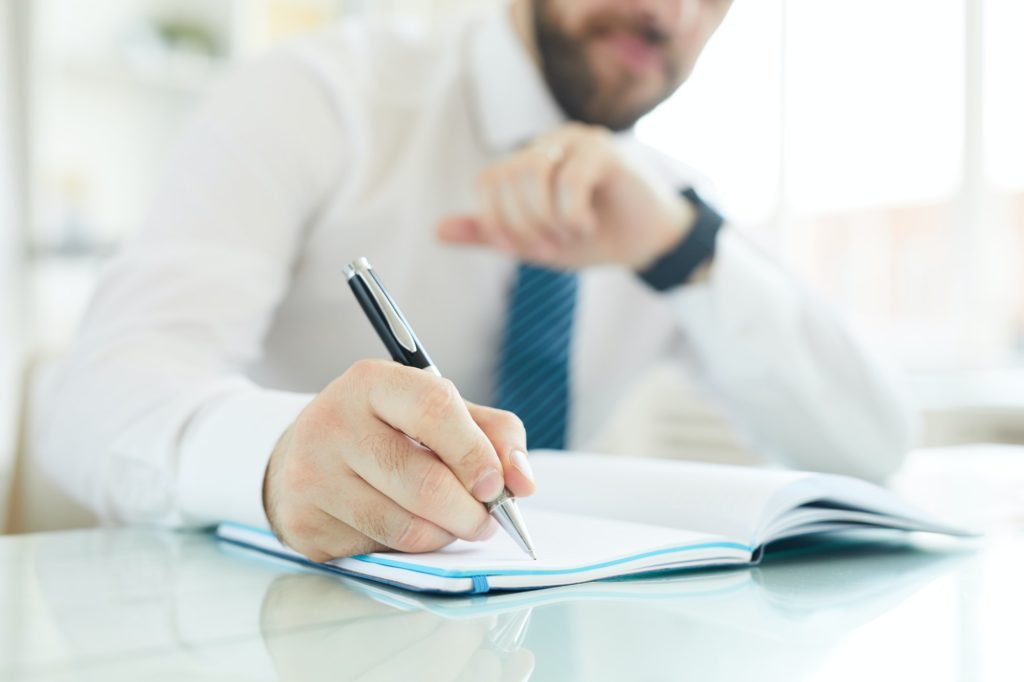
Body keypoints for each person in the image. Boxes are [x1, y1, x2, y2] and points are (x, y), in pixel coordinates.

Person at [33, 0, 913, 562]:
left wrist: (685, 250)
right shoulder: (316, 94)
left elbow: (869, 448)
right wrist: (275, 458)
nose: (666, 11)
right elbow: (93, 401)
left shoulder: (671, 208)